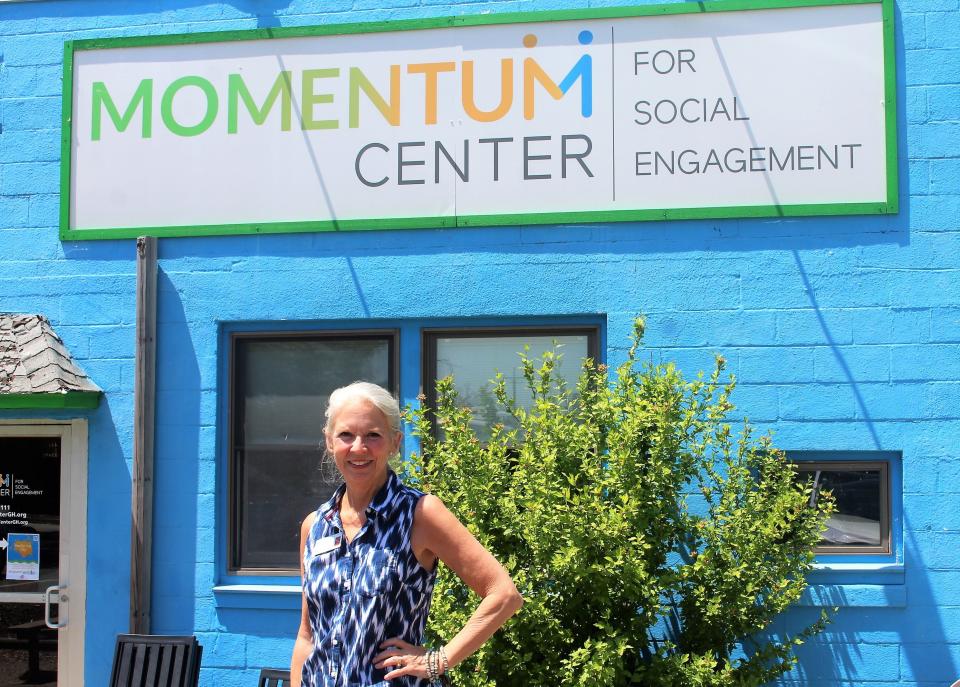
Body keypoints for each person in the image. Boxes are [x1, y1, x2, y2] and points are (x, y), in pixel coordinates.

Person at [291, 381, 523, 687]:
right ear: (330, 441)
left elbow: (504, 595)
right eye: (346, 435)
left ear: (395, 442)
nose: (358, 447)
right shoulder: (315, 525)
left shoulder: (420, 514)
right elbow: (308, 634)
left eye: (373, 435)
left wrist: (438, 661)